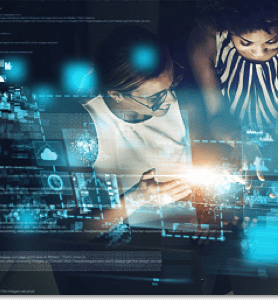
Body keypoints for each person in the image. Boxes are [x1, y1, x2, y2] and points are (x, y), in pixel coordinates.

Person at [187, 0, 278, 178]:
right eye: (245, 43)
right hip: (226, 144)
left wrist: (264, 164)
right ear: (229, 28)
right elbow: (216, 116)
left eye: (271, 41)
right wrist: (241, 142)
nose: (259, 52)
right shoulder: (206, 43)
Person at [76, 26, 193, 228]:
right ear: (117, 95)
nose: (170, 100)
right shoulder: (86, 127)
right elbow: (78, 230)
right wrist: (138, 197)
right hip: (136, 238)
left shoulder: (185, 101)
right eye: (156, 98)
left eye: (171, 85)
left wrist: (209, 219)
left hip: (190, 230)